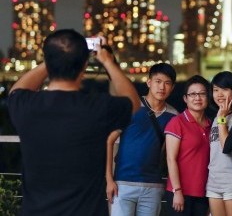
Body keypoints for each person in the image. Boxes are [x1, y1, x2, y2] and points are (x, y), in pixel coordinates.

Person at [7, 29, 140, 215]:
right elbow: (133, 102)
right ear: (84, 66)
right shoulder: (98, 108)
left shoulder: (26, 106)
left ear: (48, 61)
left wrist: (54, 59)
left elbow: (17, 90)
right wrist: (107, 61)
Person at [106, 63, 178, 216]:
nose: (162, 87)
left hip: (154, 186)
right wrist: (109, 180)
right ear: (149, 82)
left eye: (167, 83)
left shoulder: (173, 116)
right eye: (158, 82)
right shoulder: (132, 106)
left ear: (172, 87)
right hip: (123, 184)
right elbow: (109, 141)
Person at [164, 75, 211, 215]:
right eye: (192, 94)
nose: (198, 98)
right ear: (185, 98)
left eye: (202, 94)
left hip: (203, 193)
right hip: (180, 193)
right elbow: (170, 159)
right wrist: (177, 191)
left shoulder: (211, 124)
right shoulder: (177, 122)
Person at [206, 71, 232, 216]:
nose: (219, 94)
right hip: (213, 182)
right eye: (216, 90)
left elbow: (225, 147)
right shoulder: (217, 117)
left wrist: (222, 118)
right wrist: (220, 116)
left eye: (224, 89)